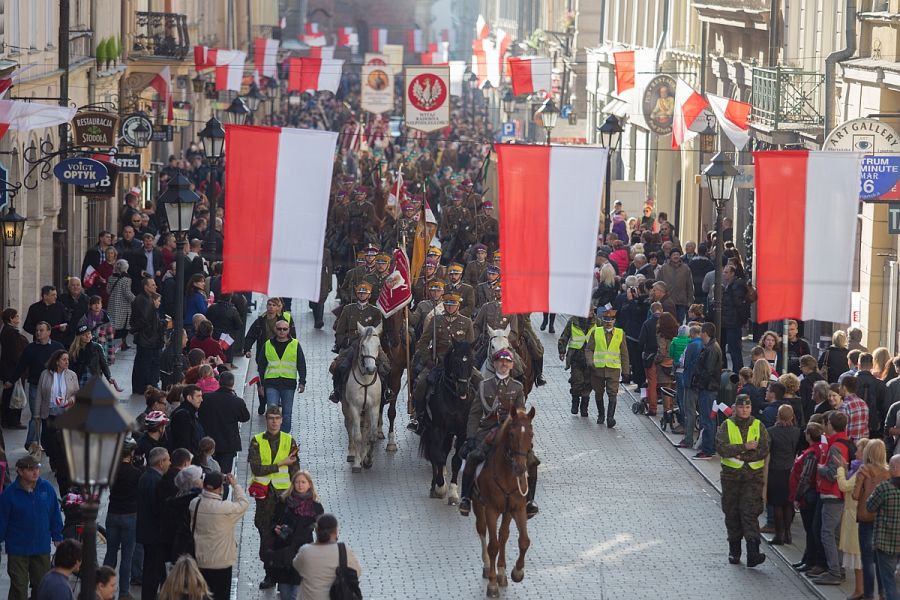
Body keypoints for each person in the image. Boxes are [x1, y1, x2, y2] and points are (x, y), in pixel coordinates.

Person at [458, 349, 539, 518]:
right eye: (500, 361)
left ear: (512, 365)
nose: (504, 364)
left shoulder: (517, 387)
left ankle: (530, 501)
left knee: (532, 461)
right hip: (488, 429)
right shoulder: (484, 386)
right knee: (473, 457)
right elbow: (475, 414)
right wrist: (471, 436)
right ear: (494, 364)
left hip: (510, 432)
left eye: (507, 361)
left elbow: (521, 414)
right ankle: (465, 497)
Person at [716, 394, 770, 567]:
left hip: (753, 479)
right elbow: (722, 448)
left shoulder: (758, 425)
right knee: (732, 513)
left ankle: (753, 553)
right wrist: (744, 447)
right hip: (731, 478)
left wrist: (743, 456)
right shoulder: (727, 425)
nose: (744, 410)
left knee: (750, 513)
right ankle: (734, 551)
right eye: (741, 407)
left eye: (747, 407)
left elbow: (763, 449)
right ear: (735, 408)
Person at [0, 455, 65, 600]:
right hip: (18, 549)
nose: (35, 472)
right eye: (30, 469)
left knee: (42, 586)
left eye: (37, 468)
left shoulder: (46, 488)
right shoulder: (9, 494)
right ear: (20, 471)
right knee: (19, 587)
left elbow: (55, 514)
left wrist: (57, 537)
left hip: (41, 547)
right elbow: (2, 520)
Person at [249, 406, 299, 590]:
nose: (274, 422)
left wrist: (297, 494)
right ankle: (270, 574)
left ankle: (283, 575)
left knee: (284, 537)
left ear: (282, 420)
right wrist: (280, 464)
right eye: (271, 418)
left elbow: (294, 470)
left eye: (277, 418)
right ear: (266, 420)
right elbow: (257, 469)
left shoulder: (289, 440)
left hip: (284, 497)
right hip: (264, 499)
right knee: (266, 536)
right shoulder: (257, 441)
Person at [264, 471, 324, 600]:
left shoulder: (316, 506)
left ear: (309, 484)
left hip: (303, 552)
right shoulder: (283, 502)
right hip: (283, 552)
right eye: (297, 482)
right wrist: (275, 528)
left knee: (296, 594)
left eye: (303, 482)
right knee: (285, 593)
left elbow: (323, 529)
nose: (300, 485)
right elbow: (272, 521)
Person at [190, 471, 249, 600]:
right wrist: (235, 485)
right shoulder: (225, 509)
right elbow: (243, 503)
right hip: (222, 563)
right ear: (220, 488)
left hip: (200, 560)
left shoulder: (194, 504)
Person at [813, 410, 854, 585]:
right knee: (835, 535)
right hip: (839, 494)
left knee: (827, 534)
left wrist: (820, 468)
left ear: (831, 425)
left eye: (827, 423)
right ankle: (839, 569)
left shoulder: (836, 446)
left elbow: (832, 473)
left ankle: (834, 572)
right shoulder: (845, 442)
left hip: (832, 494)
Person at [11, 322, 65, 449]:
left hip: (54, 388)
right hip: (36, 386)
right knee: (36, 415)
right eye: (36, 330)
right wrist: (11, 380)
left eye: (41, 330)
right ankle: (31, 443)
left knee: (52, 415)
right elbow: (21, 366)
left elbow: (65, 365)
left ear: (48, 332)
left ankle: (48, 443)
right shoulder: (31, 348)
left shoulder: (57, 347)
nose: (38, 333)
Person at [197, 370, 250, 489]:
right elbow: (245, 417)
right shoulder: (237, 401)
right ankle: (222, 495)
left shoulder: (207, 398)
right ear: (232, 384)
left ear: (219, 382)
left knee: (209, 473)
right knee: (224, 476)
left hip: (209, 442)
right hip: (228, 444)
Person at [103, 441, 142, 600]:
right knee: (127, 556)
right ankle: (124, 592)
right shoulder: (136, 473)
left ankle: (103, 587)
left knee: (110, 552)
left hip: (113, 513)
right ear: (131, 454)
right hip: (130, 515)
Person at [37, 350, 79, 492]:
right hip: (49, 413)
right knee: (50, 442)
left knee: (63, 442)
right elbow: (39, 394)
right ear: (57, 361)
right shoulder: (45, 374)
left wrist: (71, 400)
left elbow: (77, 393)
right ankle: (55, 461)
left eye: (68, 359)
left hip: (66, 414)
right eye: (64, 359)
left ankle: (61, 466)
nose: (67, 362)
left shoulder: (72, 375)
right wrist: (37, 414)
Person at [292, 514, 362, 600]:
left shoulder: (305, 551)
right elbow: (357, 571)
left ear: (316, 530)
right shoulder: (343, 550)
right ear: (336, 531)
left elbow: (296, 565)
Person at [854, 439, 891, 600]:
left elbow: (855, 495)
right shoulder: (889, 472)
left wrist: (861, 481)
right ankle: (883, 593)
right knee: (881, 559)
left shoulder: (864, 470)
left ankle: (869, 595)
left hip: (866, 518)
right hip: (883, 519)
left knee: (867, 559)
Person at [583, 309, 630, 428]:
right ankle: (601, 414)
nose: (608, 322)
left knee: (612, 392)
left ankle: (610, 418)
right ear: (603, 321)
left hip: (613, 369)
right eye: (606, 320)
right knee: (598, 392)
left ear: (614, 321)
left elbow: (624, 353)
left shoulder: (620, 333)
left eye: (611, 320)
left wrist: (626, 371)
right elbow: (589, 349)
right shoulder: (596, 332)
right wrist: (590, 362)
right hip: (597, 369)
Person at [790, 422, 826, 575]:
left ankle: (810, 560)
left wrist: (798, 497)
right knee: (811, 530)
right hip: (811, 494)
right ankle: (807, 557)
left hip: (808, 495)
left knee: (810, 530)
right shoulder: (819, 449)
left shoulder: (811, 453)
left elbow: (805, 477)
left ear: (809, 435)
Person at [259, 319, 306, 434]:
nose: (282, 331)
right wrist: (261, 384)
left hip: (288, 383)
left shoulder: (295, 344)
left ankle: (284, 437)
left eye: (285, 329)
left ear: (288, 330)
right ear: (275, 329)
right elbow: (261, 365)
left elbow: (301, 364)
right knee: (272, 411)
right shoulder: (268, 344)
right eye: (279, 329)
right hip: (271, 383)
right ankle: (273, 435)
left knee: (287, 413)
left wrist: (302, 382)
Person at [836, 437, 869, 598]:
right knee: (858, 557)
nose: (855, 453)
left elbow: (845, 486)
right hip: (852, 514)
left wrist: (841, 469)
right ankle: (861, 589)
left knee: (858, 557)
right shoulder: (858, 468)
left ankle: (860, 590)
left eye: (858, 450)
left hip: (855, 515)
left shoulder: (862, 471)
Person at [137, 447, 170, 600]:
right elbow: (157, 508)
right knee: (152, 571)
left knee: (154, 569)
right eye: (168, 459)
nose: (170, 463)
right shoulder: (155, 480)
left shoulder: (147, 476)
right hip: (154, 533)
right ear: (161, 462)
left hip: (148, 531)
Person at [865, 454, 900, 600]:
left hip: (886, 542)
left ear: (894, 468)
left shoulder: (884, 487)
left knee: (889, 581)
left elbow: (870, 506)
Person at [766, 405, 800, 545]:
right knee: (788, 504)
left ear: (778, 416)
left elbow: (767, 451)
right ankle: (788, 534)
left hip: (775, 471)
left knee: (777, 505)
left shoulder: (771, 432)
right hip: (790, 471)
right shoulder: (797, 432)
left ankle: (779, 535)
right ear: (792, 417)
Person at [692, 322, 722, 460]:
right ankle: (710, 447)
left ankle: (707, 449)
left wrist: (700, 384)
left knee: (707, 419)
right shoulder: (712, 347)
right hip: (709, 387)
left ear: (705, 333)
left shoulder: (711, 349)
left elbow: (708, 371)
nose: (701, 336)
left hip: (708, 388)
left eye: (702, 333)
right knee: (709, 419)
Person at [130, 279, 165, 395]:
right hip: (146, 339)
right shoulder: (143, 300)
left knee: (143, 364)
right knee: (144, 364)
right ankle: (143, 387)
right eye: (153, 285)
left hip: (147, 339)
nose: (155, 286)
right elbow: (145, 320)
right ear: (146, 287)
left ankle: (142, 387)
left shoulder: (146, 299)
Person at [558, 311, 593, 417]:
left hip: (591, 360)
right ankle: (575, 403)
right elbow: (565, 335)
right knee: (577, 382)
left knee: (588, 384)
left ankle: (584, 407)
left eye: (592, 310)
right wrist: (562, 350)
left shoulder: (597, 322)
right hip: (576, 357)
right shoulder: (573, 321)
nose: (590, 312)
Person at [0, 308, 29, 429]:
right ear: (11, 318)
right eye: (16, 316)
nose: (18, 318)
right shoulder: (11, 332)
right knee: (14, 395)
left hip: (8, 369)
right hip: (13, 370)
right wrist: (21, 366)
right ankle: (13, 421)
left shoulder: (6, 330)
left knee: (9, 394)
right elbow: (15, 353)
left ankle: (7, 420)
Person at [720, 265, 748, 371]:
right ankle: (726, 369)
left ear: (732, 273)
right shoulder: (730, 285)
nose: (724, 274)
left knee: (734, 349)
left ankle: (738, 371)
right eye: (724, 272)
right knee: (727, 347)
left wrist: (743, 320)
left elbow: (739, 305)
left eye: (726, 272)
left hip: (733, 322)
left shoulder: (736, 286)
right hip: (728, 321)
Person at [857, 353, 889, 439]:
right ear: (872, 365)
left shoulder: (850, 382)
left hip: (854, 423)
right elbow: (885, 407)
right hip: (874, 425)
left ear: (858, 365)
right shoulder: (880, 384)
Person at [657, 248, 693, 323]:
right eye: (674, 255)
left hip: (681, 301)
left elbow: (689, 285)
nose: (676, 256)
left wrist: (690, 300)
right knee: (668, 322)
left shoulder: (686, 268)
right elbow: (658, 283)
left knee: (680, 322)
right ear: (670, 256)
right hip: (667, 301)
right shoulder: (664, 268)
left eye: (677, 254)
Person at [106, 260, 135, 351]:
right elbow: (127, 293)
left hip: (112, 304)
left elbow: (108, 291)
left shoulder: (111, 277)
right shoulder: (127, 279)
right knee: (124, 325)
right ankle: (122, 344)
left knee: (113, 324)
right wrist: (135, 299)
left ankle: (111, 343)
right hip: (123, 306)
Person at [169, 385, 205, 457]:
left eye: (201, 396)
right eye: (198, 396)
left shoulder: (190, 413)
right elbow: (184, 442)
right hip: (186, 459)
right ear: (189, 398)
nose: (201, 399)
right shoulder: (183, 415)